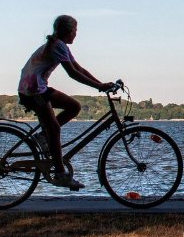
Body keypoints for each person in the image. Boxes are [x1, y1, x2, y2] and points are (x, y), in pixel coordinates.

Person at [18, 15, 114, 189]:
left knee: (74, 106)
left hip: (37, 87)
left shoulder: (60, 45)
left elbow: (78, 68)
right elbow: (73, 73)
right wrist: (98, 87)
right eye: (75, 31)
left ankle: (42, 136)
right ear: (69, 31)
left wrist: (101, 84)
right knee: (54, 128)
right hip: (32, 89)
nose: (76, 34)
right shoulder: (58, 46)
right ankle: (61, 174)